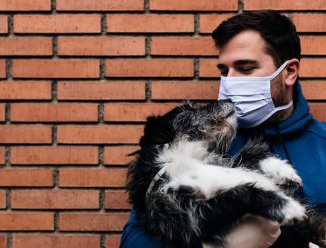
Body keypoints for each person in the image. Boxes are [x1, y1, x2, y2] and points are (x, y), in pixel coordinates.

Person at [120, 10, 326, 248]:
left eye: (245, 68)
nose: (229, 82)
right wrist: (208, 245)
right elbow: (133, 239)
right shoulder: (194, 146)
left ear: (289, 72)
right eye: (224, 71)